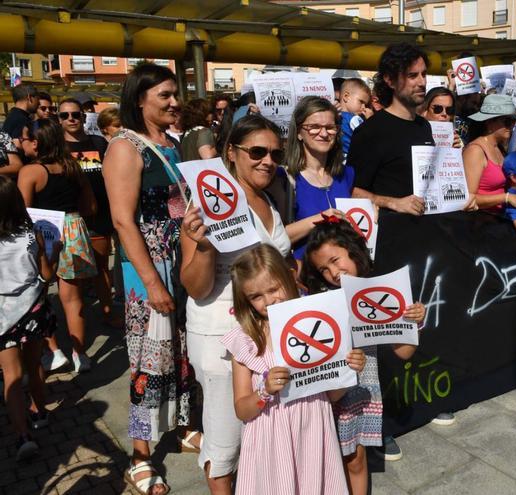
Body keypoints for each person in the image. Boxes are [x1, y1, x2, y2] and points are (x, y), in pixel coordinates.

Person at [181, 114, 308, 493]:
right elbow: (195, 286)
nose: (268, 160)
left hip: (270, 335)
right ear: (231, 153)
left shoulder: (270, 197)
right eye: (257, 151)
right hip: (223, 335)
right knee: (226, 447)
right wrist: (204, 246)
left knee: (264, 432)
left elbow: (277, 258)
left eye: (275, 152)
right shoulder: (209, 201)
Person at [103, 63, 195, 495]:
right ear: (139, 99)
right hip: (148, 268)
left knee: (181, 351)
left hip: (178, 261)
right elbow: (123, 222)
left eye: (175, 94)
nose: (174, 102)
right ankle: (139, 455)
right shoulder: (124, 147)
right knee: (146, 361)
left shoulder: (171, 143)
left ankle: (178, 427)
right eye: (164, 95)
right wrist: (152, 283)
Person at [222, 244, 365, 495]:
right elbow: (242, 410)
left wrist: (347, 371)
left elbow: (332, 395)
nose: (268, 301)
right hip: (270, 441)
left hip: (314, 430)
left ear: (290, 276)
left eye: (273, 288)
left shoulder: (316, 322)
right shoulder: (245, 339)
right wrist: (264, 392)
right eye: (256, 296)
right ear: (245, 299)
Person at [301, 219, 425, 492]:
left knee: (355, 459)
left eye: (336, 259)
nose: (333, 272)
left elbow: (404, 352)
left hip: (361, 393)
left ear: (353, 249)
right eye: (324, 268)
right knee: (323, 461)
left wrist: (412, 321)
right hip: (324, 395)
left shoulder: (378, 293)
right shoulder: (317, 299)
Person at [17, 119, 97, 373]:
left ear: (37, 143)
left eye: (26, 138)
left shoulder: (30, 172)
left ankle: (54, 351)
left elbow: (23, 213)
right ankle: (80, 355)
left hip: (44, 234)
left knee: (39, 296)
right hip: (74, 229)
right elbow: (90, 207)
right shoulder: (72, 167)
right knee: (74, 299)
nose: (21, 142)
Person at [0, 176, 55, 461]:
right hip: (32, 309)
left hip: (2, 316)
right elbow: (46, 275)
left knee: (11, 376)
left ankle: (22, 436)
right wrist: (53, 253)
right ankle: (41, 411)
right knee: (34, 366)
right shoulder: (31, 234)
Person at [349, 43, 434, 218]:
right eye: (412, 75)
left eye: (424, 74)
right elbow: (352, 191)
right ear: (390, 80)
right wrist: (394, 203)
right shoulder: (370, 132)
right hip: (391, 236)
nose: (422, 82)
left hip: (429, 232)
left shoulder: (424, 126)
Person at [59, 98, 120, 329]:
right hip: (72, 218)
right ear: (59, 120)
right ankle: (77, 323)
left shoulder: (99, 143)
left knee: (101, 267)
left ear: (84, 117)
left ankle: (107, 311)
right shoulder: (58, 148)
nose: (71, 119)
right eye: (65, 115)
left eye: (75, 114)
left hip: (100, 214)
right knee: (74, 276)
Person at [286, 96, 355, 258]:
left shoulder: (348, 174)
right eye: (314, 127)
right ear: (299, 133)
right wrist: (321, 218)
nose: (324, 133)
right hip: (305, 277)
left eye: (330, 127)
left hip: (345, 273)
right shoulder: (285, 178)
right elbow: (274, 236)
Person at [462, 94, 516, 212]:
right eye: (507, 121)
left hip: (500, 219)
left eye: (514, 121)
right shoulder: (475, 151)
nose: (512, 126)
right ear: (489, 122)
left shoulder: (499, 148)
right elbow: (468, 199)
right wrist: (506, 198)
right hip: (482, 223)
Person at [339, 78, 371, 160]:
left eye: (365, 104)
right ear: (346, 96)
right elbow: (368, 137)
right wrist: (371, 121)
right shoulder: (355, 119)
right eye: (361, 102)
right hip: (352, 158)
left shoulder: (334, 116)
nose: (363, 107)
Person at [3, 83, 39, 149]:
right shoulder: (22, 119)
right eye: (37, 99)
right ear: (29, 97)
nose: (38, 103)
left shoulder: (12, 115)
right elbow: (17, 145)